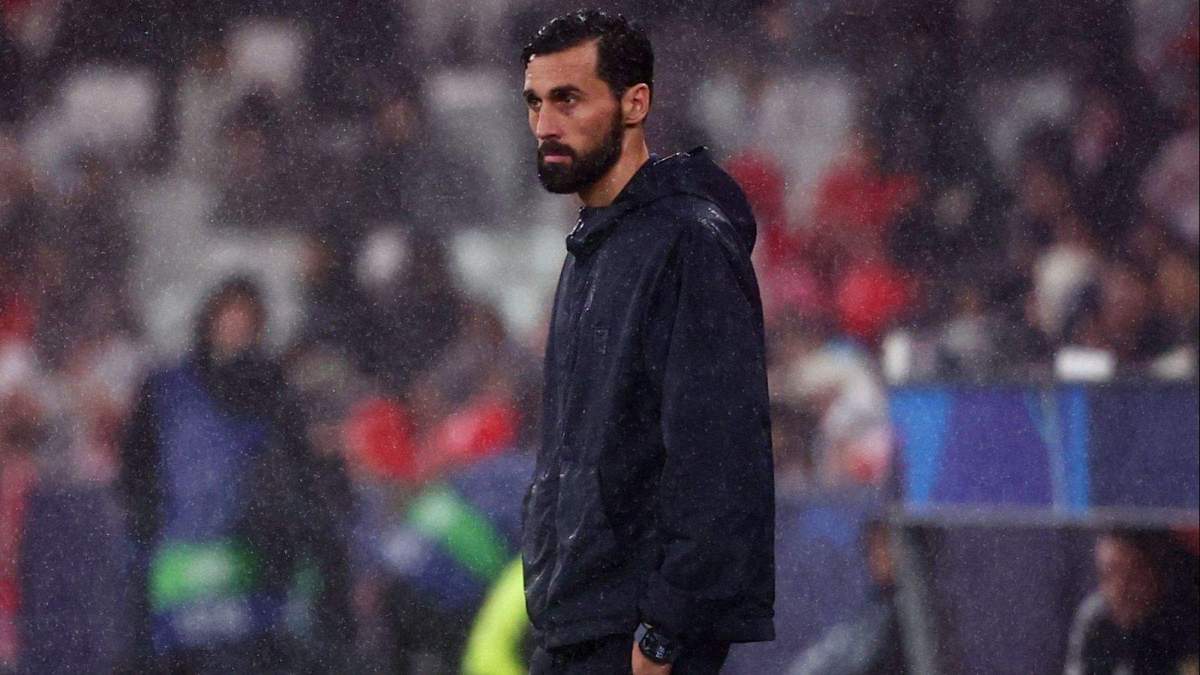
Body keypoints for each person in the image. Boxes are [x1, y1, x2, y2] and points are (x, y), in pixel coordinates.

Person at [518, 10, 774, 675]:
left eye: (568, 98)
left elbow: (717, 450)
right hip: (580, 619)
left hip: (635, 633)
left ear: (636, 103)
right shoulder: (591, 248)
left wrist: (665, 632)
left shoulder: (685, 241)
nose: (545, 123)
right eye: (535, 102)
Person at [118, 276, 354, 673]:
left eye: (247, 322)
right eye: (229, 318)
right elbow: (137, 470)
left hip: (249, 566)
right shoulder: (167, 389)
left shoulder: (275, 391)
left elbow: (297, 480)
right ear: (210, 320)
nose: (236, 330)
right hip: (182, 563)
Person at [1064, 529, 1200, 675]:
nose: (1119, 590)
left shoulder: (1187, 619)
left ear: (1157, 571)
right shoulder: (1096, 619)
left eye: (1131, 575)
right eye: (1107, 575)